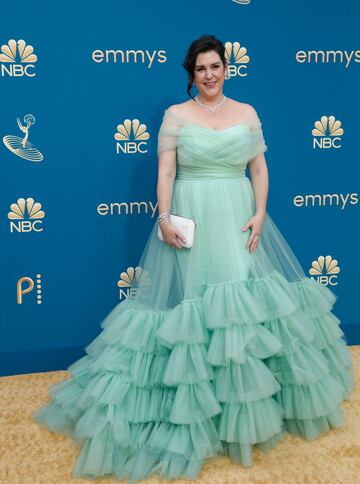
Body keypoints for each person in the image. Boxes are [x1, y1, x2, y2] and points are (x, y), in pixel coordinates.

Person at [33, 34, 354, 482]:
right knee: (196, 305)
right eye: (201, 69)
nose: (209, 75)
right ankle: (196, 410)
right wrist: (164, 217)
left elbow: (258, 168)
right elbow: (166, 170)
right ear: (192, 74)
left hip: (238, 212)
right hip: (193, 214)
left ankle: (245, 409)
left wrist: (260, 213)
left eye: (215, 67)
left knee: (239, 308)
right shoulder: (176, 115)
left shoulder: (247, 112)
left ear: (227, 68)